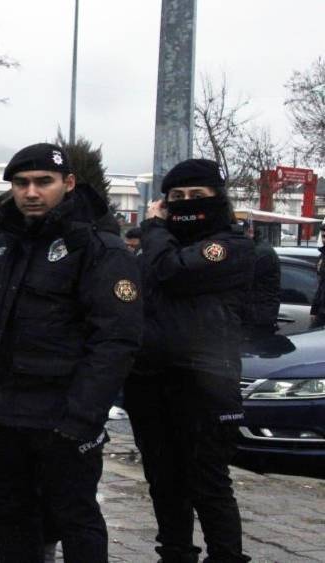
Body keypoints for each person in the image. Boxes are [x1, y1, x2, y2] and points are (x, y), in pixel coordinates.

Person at [0, 143, 142, 563]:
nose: (31, 192)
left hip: (63, 415)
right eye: (21, 183)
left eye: (43, 182)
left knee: (75, 519)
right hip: (3, 411)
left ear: (68, 184)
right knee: (12, 518)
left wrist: (82, 418)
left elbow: (115, 341)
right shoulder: (0, 241)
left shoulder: (98, 248)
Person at [124, 158, 253, 563]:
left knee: (208, 482)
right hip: (150, 379)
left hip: (205, 382)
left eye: (197, 195)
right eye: (176, 196)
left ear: (217, 197)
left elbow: (171, 272)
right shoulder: (158, 246)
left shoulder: (231, 246)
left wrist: (154, 228)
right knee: (163, 481)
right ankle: (175, 553)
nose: (186, 202)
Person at [241, 222, 280, 339]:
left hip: (259, 314)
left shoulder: (261, 253)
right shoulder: (257, 249)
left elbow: (245, 279)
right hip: (258, 312)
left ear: (250, 232)